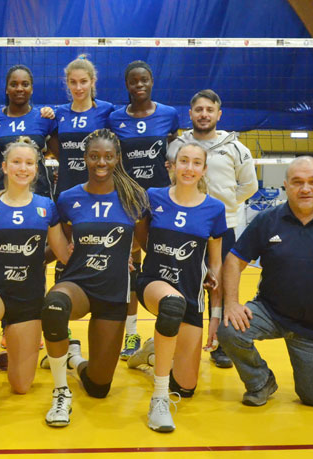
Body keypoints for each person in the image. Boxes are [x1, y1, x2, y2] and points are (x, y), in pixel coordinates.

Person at [218, 156, 313, 408]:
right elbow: (234, 260)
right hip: (270, 312)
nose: (305, 188)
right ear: (286, 185)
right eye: (297, 182)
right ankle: (260, 381)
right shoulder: (267, 220)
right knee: (229, 329)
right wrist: (232, 303)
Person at [40, 129, 148, 427]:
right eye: (94, 156)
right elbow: (60, 245)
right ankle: (60, 391)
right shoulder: (68, 198)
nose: (101, 162)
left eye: (108, 156)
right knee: (54, 305)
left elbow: (143, 243)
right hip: (78, 283)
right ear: (85, 158)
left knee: (99, 387)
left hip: (113, 292)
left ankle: (74, 358)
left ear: (117, 158)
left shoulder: (134, 197)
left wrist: (124, 252)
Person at [0, 137, 70, 423]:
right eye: (17, 162)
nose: (23, 168)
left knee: (21, 386)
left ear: (36, 169)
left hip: (29, 299)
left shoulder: (46, 207)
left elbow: (63, 253)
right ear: (5, 167)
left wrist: (109, 256)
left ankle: (16, 350)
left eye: (29, 163)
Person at [128, 143, 226, 433]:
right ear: (172, 165)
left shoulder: (214, 209)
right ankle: (159, 399)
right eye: (183, 161)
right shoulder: (153, 197)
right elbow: (139, 237)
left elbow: (216, 265)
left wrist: (216, 315)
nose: (189, 168)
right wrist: (126, 256)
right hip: (154, 284)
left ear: (204, 170)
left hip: (191, 295)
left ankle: (153, 352)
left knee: (185, 387)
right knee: (171, 304)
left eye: (196, 163)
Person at [167, 89, 258, 369]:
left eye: (209, 110)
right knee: (183, 283)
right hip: (186, 228)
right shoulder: (177, 146)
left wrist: (223, 207)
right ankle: (182, 341)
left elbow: (249, 185)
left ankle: (221, 345)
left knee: (222, 286)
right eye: (199, 110)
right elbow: (171, 181)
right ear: (190, 114)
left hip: (223, 227)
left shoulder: (236, 148)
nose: (204, 114)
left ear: (219, 114)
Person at [108, 60, 180, 361]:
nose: (139, 85)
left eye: (144, 80)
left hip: (160, 202)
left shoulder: (169, 114)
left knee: (165, 262)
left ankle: (171, 330)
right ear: (127, 85)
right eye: (133, 81)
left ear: (152, 82)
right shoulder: (115, 118)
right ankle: (131, 332)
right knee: (129, 266)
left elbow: (174, 150)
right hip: (128, 200)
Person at [0, 65, 58, 199]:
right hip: (2, 193)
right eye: (13, 84)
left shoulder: (44, 118)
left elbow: (57, 153)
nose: (19, 89)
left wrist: (36, 153)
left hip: (38, 193)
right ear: (6, 89)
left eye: (25, 84)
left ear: (32, 89)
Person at [52, 56, 114, 199]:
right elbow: (52, 143)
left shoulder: (106, 110)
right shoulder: (60, 113)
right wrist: (65, 164)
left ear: (93, 81)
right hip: (66, 186)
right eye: (73, 82)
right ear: (67, 83)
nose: (78, 88)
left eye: (83, 81)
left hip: (98, 186)